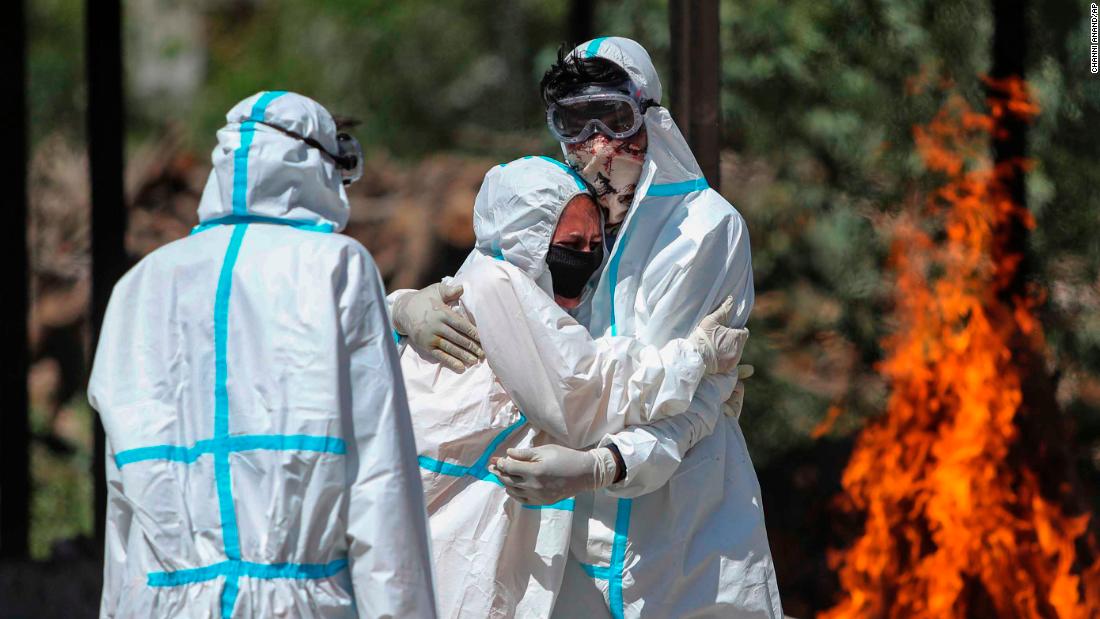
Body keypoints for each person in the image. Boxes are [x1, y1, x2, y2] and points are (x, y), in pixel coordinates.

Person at [88, 91, 436, 618]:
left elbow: (121, 509)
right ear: (319, 169)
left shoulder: (137, 286)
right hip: (297, 603)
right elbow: (379, 482)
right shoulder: (337, 267)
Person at [492, 38, 784, 618]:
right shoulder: (561, 216)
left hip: (679, 524)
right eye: (575, 122)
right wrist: (413, 306)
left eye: (615, 116)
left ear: (650, 113)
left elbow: (674, 403)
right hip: (562, 529)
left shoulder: (705, 228)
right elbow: (493, 290)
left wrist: (602, 464)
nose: (598, 142)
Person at [394, 156, 750, 618]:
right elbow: (588, 393)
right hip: (443, 542)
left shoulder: (497, 283)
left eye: (594, 244)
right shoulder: (500, 286)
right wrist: (696, 359)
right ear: (526, 244)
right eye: (567, 245)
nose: (582, 258)